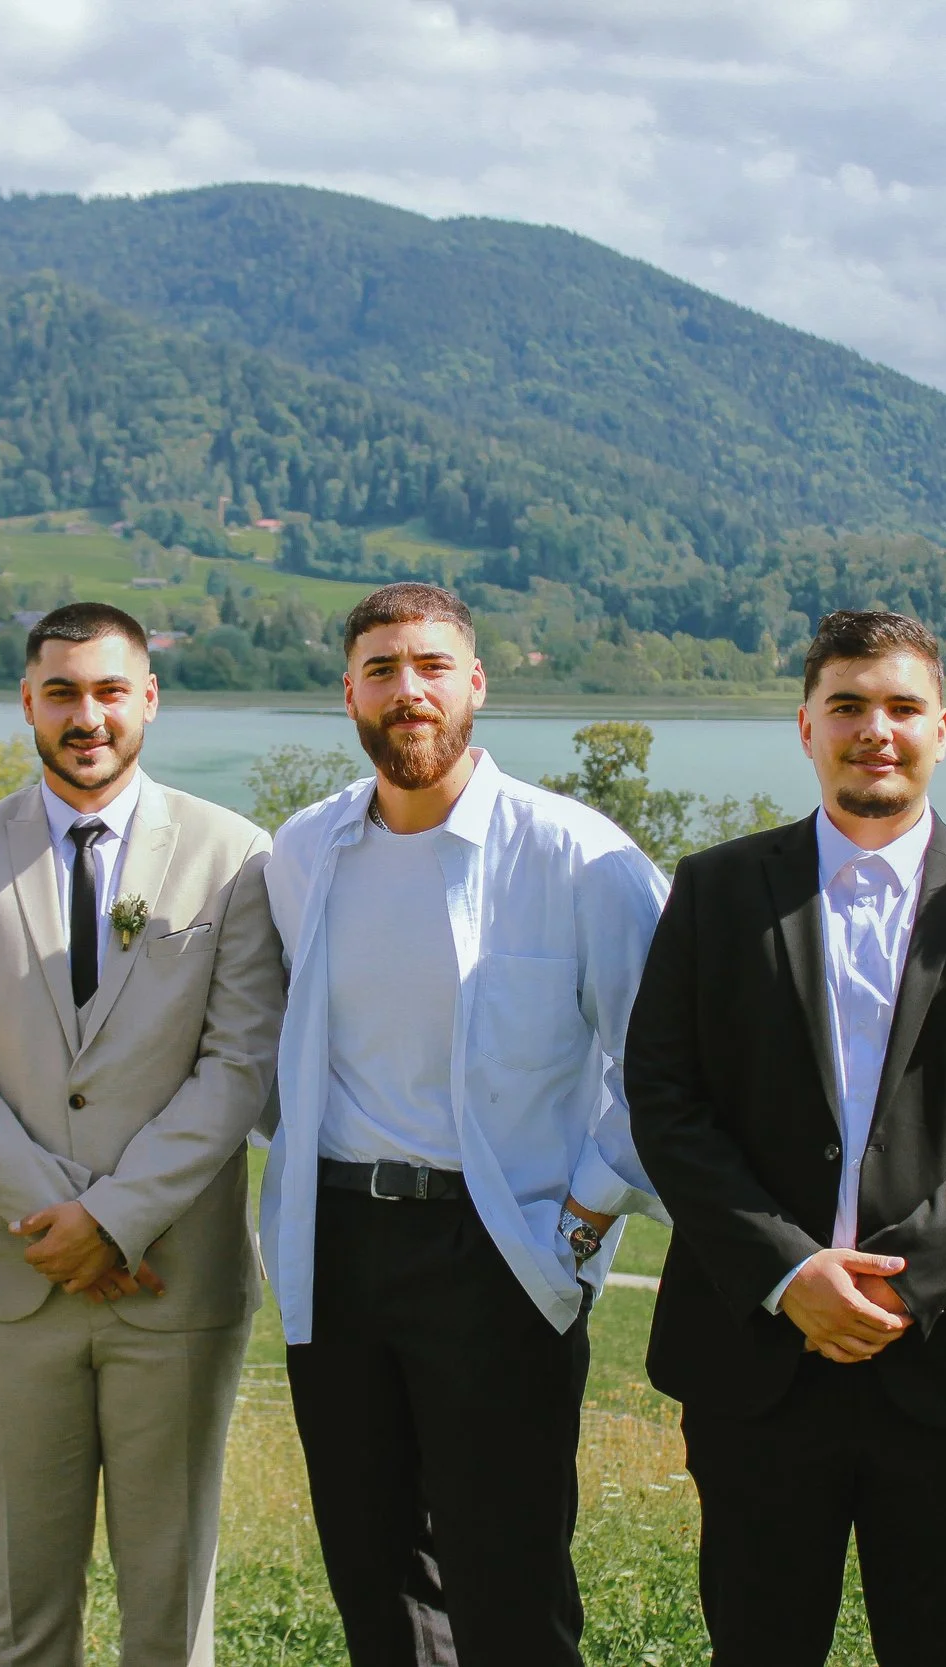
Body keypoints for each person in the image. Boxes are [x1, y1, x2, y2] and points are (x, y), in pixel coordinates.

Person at [624, 609, 946, 1667]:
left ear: (942, 727)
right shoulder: (715, 889)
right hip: (756, 1357)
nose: (873, 728)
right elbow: (661, 1094)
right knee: (757, 1640)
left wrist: (905, 1279)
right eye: (847, 705)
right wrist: (786, 1269)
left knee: (944, 1645)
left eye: (900, 707)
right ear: (805, 726)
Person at [260, 582, 669, 1667]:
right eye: (383, 669)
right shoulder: (302, 853)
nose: (409, 691)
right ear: (348, 691)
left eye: (432, 665)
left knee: (509, 1581)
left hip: (500, 1249)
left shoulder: (584, 859)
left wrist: (579, 1225)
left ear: (475, 682)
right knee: (374, 1579)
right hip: (337, 1247)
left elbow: (660, 1066)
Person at [0, 602, 285, 1667]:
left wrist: (112, 1220)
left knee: (170, 1608)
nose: (87, 715)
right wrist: (55, 1218)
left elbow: (238, 1064)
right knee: (26, 1609)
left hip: (173, 1279)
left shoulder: (235, 855)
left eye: (110, 690)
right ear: (27, 700)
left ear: (149, 699)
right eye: (62, 691)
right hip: (15, 1280)